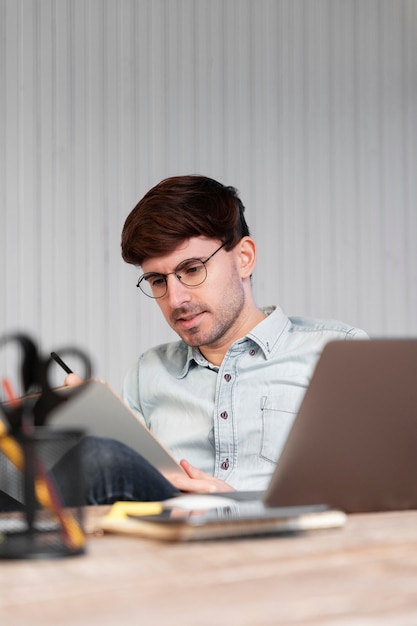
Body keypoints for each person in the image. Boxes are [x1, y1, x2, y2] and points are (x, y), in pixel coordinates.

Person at [65, 174, 367, 504]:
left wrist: (236, 505)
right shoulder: (147, 372)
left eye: (192, 269)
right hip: (169, 545)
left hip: (286, 544)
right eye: (157, 281)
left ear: (244, 258)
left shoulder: (337, 353)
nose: (175, 299)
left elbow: (371, 493)